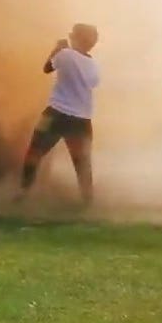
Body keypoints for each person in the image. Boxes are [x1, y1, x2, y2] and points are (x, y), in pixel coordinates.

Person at [18, 24, 101, 205]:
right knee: (82, 164)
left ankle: (22, 193)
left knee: (34, 153)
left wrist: (56, 49)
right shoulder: (95, 65)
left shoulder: (65, 55)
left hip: (55, 114)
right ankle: (88, 202)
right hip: (82, 120)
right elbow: (91, 84)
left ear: (78, 38)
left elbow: (47, 68)